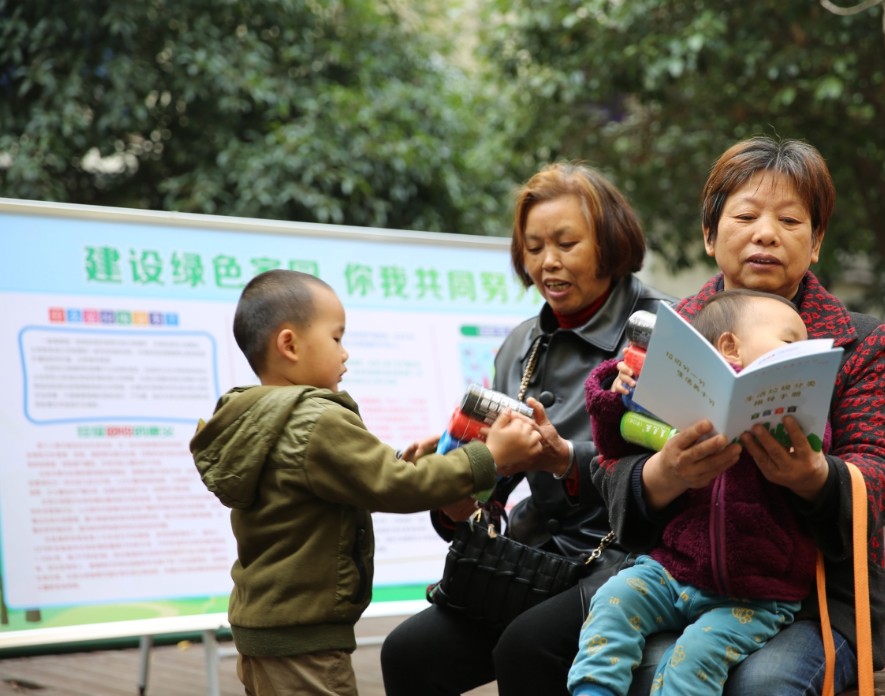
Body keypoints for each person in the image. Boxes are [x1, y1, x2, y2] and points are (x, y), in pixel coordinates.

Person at [584, 136, 885, 696]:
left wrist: (816, 478)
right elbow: (610, 461)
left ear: (816, 242)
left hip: (811, 599)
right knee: (556, 646)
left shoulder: (859, 342)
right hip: (673, 575)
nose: (766, 233)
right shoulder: (670, 334)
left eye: (790, 220)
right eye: (745, 216)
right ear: (710, 235)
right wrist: (665, 473)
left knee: (761, 685)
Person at [381, 162, 675, 695]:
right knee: (407, 653)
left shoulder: (666, 328)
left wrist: (562, 460)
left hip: (632, 558)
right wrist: (453, 482)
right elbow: (490, 499)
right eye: (533, 247)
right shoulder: (521, 343)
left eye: (566, 243)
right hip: (539, 554)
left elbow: (672, 467)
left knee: (525, 646)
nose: (547, 262)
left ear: (610, 242)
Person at [189, 269, 543, 696]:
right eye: (336, 338)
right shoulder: (315, 419)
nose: (345, 354)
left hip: (264, 626)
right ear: (289, 345)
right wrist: (491, 456)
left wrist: (404, 462)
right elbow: (397, 487)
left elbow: (346, 482)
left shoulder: (259, 418)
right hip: (304, 639)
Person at [572, 289, 821, 696]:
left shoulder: (796, 410)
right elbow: (614, 449)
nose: (802, 353)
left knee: (693, 658)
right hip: (673, 570)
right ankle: (594, 691)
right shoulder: (685, 392)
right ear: (730, 346)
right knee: (614, 600)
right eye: (791, 342)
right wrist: (617, 395)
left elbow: (817, 445)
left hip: (754, 595)